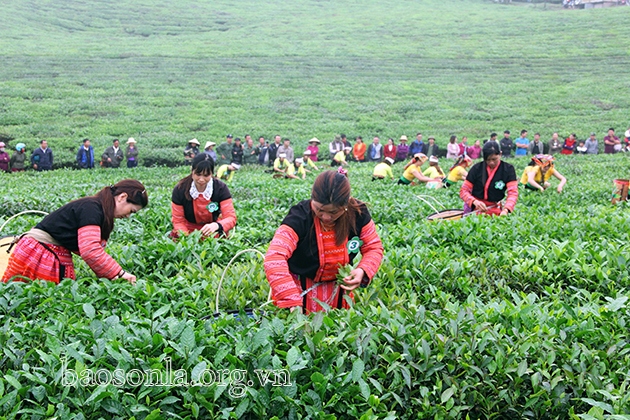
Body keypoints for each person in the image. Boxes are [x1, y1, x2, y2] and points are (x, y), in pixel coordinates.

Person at [264, 170, 383, 313]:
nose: (326, 217)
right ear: (312, 199)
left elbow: (373, 247)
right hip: (298, 292)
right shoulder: (300, 216)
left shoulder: (358, 214)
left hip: (338, 294)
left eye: (334, 212)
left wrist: (363, 270)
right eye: (319, 209)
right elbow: (275, 257)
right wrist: (291, 298)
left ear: (346, 205)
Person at [2, 180, 148, 284]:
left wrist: (111, 273)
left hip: (45, 250)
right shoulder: (92, 208)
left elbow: (91, 250)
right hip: (40, 251)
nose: (128, 216)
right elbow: (90, 250)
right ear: (122, 197)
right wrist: (120, 273)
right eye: (131, 211)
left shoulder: (98, 209)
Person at [171, 153, 236, 239]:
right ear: (192, 170)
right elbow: (178, 220)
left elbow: (230, 217)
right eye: (198, 174)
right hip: (187, 231)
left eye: (206, 175)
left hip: (214, 232)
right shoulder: (180, 189)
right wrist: (187, 238)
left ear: (212, 173)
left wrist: (217, 225)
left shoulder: (221, 188)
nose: (201, 179)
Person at [459, 141, 518, 216]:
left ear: (500, 154)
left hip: (496, 209)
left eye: (494, 159)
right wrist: (474, 201)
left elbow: (513, 192)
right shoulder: (476, 169)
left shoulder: (508, 169)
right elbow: (463, 191)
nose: (491, 163)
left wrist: (506, 209)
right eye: (488, 160)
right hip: (475, 210)